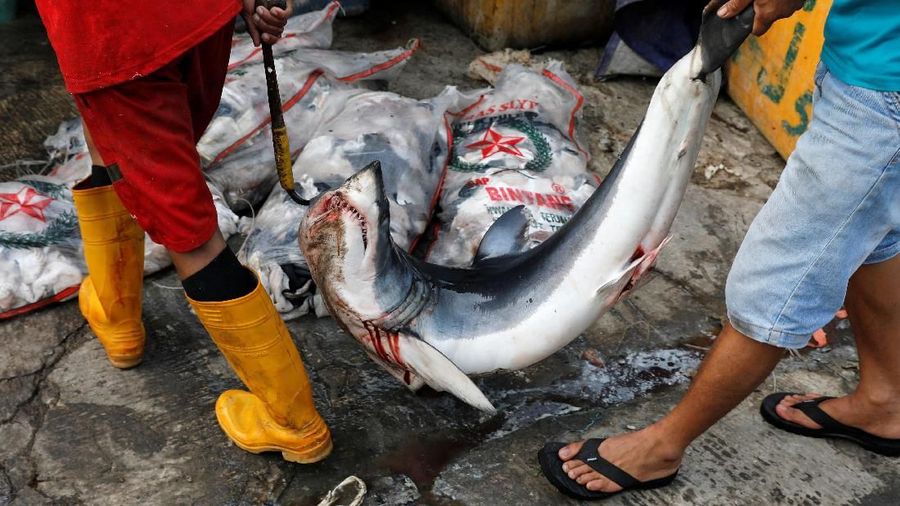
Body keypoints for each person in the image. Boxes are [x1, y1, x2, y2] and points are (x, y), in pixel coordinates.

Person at [540, 0, 900, 499]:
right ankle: (886, 403)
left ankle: (663, 446)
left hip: (886, 87)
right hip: (875, 57)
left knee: (777, 281)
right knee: (872, 235)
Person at [34, 0, 333, 463]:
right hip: (195, 17)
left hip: (107, 29)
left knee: (187, 229)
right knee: (117, 140)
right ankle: (118, 319)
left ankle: (293, 421)